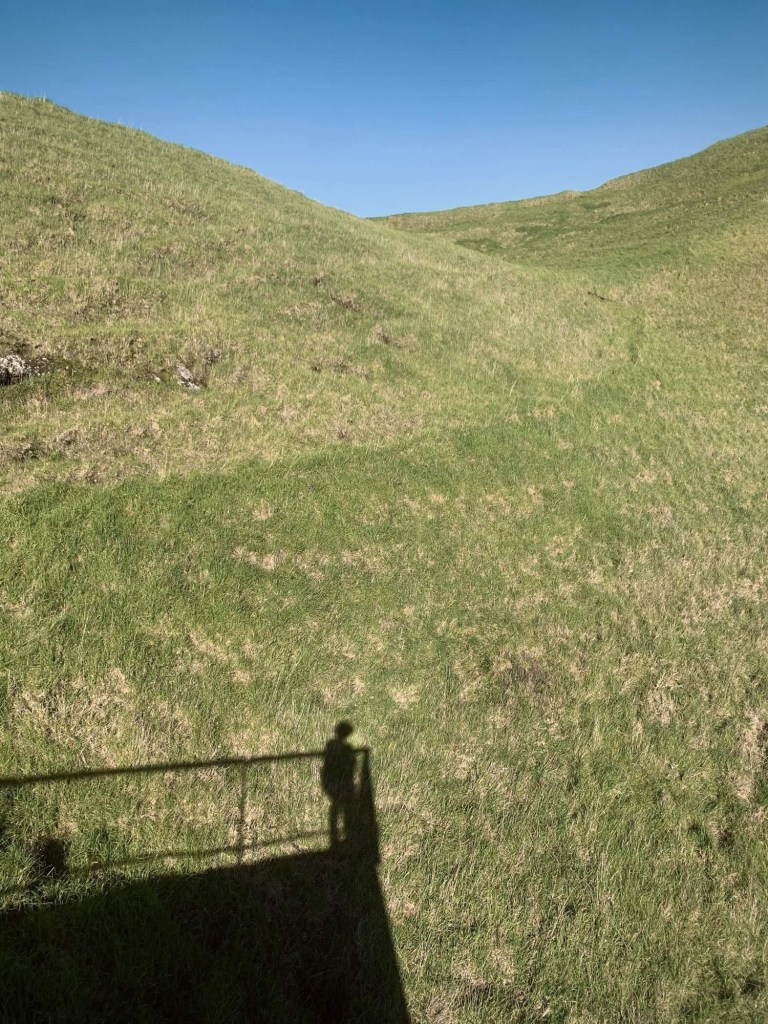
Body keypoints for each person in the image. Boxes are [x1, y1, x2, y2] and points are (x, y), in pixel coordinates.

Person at [321, 721, 356, 848]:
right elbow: (350, 765)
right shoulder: (347, 748)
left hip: (331, 778)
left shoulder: (330, 744)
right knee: (340, 805)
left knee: (337, 806)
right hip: (338, 779)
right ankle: (339, 835)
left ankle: (335, 835)